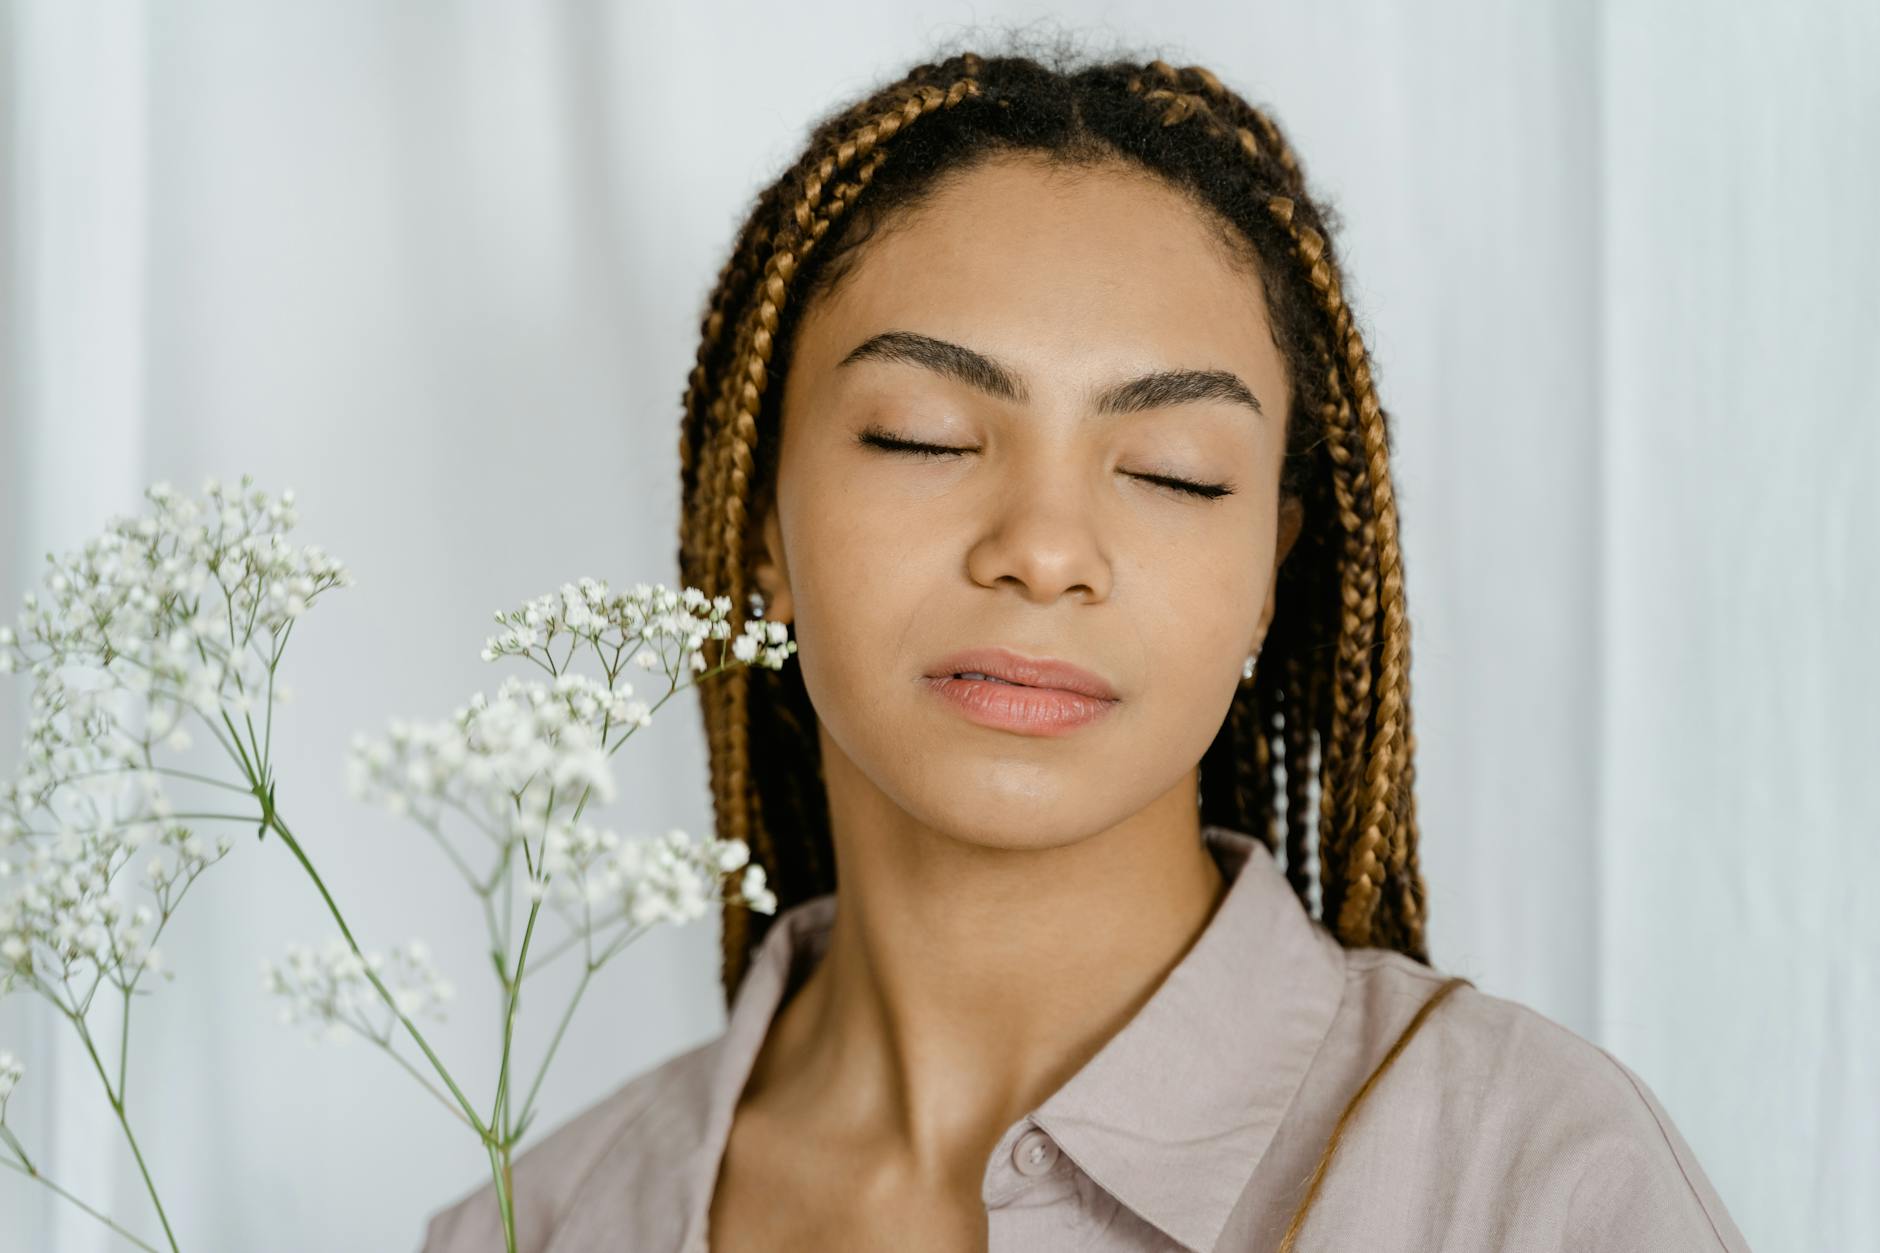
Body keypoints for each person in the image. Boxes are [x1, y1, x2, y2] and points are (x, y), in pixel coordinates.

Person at [423, 43, 1750, 1252]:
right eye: (923, 437)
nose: (1045, 546)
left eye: (1171, 472)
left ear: (1269, 578)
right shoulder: (533, 1221)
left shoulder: (1532, 1180)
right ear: (759, 522)